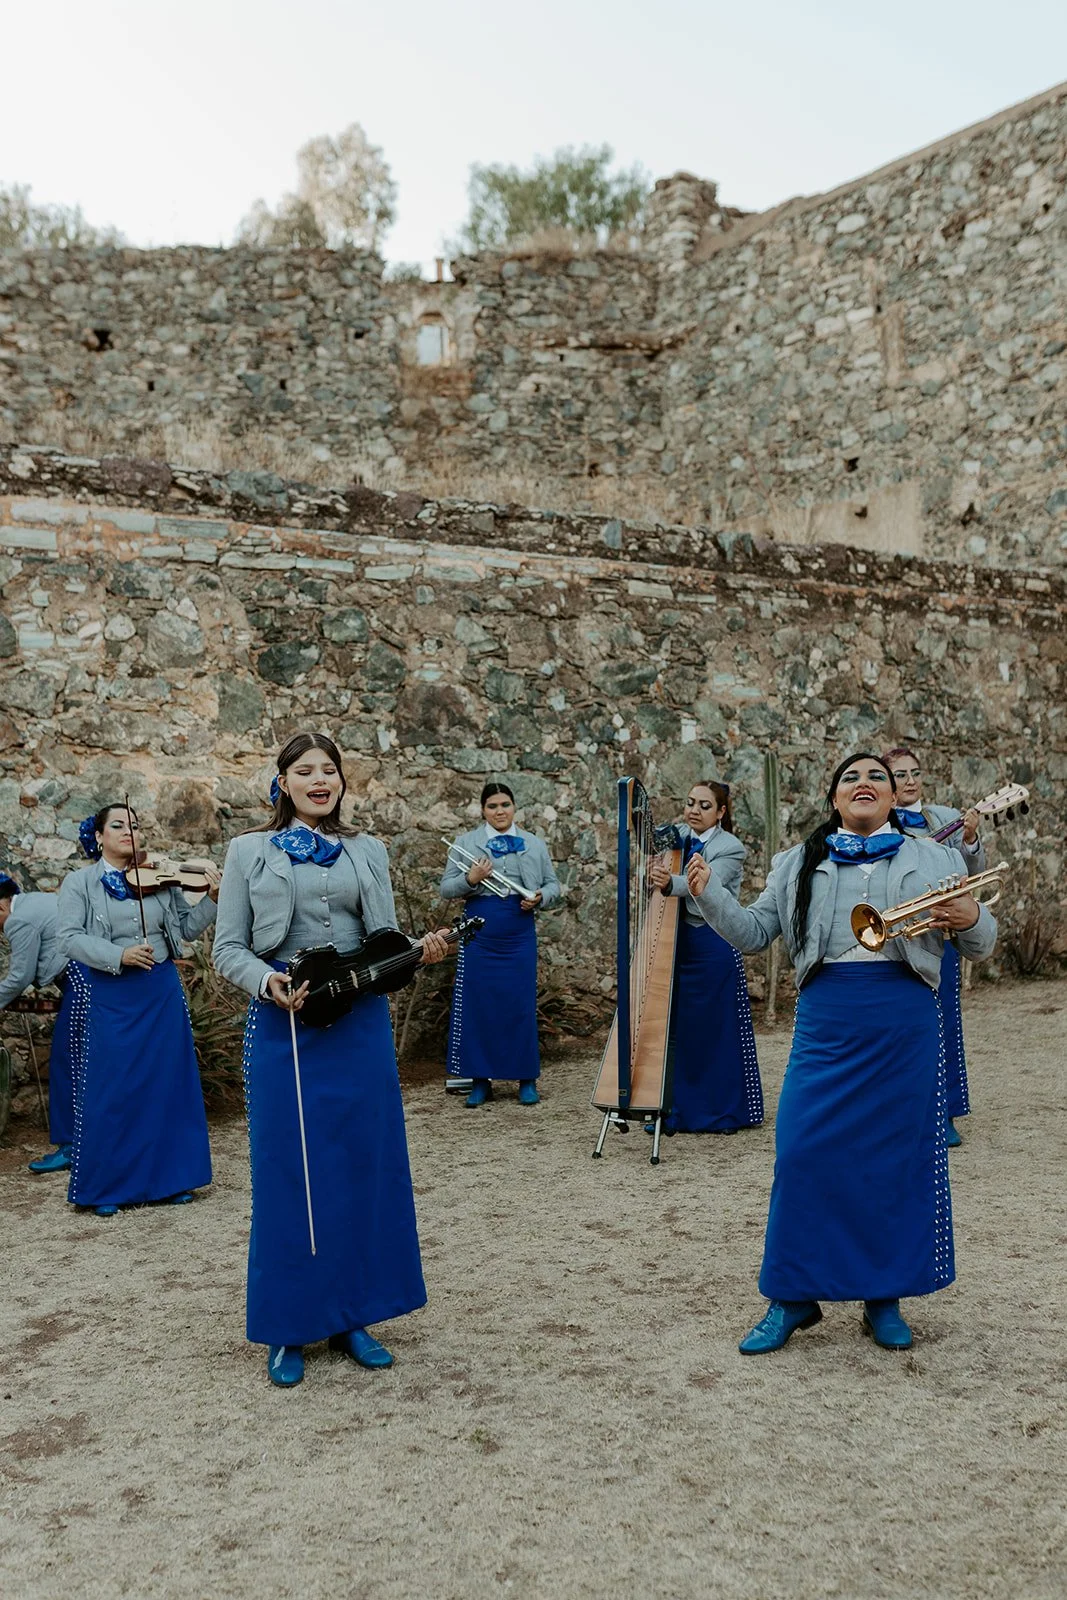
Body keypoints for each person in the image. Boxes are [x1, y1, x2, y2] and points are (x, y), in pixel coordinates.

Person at [686, 752, 997, 1355]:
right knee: (802, 1155)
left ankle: (884, 1297)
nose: (865, 783)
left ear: (890, 797)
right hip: (826, 1022)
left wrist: (972, 915)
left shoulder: (935, 856)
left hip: (904, 1024)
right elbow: (753, 934)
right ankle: (793, 1298)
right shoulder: (798, 860)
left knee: (893, 1162)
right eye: (850, 777)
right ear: (833, 799)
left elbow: (982, 945)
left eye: (876, 776)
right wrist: (708, 895)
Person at [213, 731, 449, 1390]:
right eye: (305, 771)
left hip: (360, 1028)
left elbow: (383, 942)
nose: (320, 780)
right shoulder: (246, 852)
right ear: (282, 781)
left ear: (341, 782)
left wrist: (416, 953)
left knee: (358, 1171)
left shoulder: (368, 850)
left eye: (329, 771)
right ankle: (287, 1326)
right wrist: (268, 983)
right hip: (284, 1031)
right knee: (291, 1180)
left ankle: (353, 1316)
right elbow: (227, 948)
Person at [56, 805, 219, 1218]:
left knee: (166, 1083)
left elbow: (184, 930)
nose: (129, 831)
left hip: (159, 990)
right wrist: (118, 954)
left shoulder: (160, 881)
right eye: (118, 825)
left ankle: (171, 1181)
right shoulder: (80, 883)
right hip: (111, 994)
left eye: (134, 825)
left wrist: (213, 900)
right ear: (98, 836)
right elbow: (70, 939)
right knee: (112, 1087)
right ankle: (107, 1185)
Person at [883, 746, 985, 1148]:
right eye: (900, 774)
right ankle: (896, 1114)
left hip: (934, 935)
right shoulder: (877, 819)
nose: (910, 781)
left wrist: (971, 839)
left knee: (941, 1026)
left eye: (915, 773)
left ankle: (942, 1114)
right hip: (891, 940)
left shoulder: (944, 819)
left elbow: (972, 876)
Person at [647, 783, 763, 1134]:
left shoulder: (730, 847)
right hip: (676, 941)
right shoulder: (676, 835)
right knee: (679, 1028)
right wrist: (649, 874)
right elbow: (655, 872)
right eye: (690, 802)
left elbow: (701, 883)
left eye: (705, 805)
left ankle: (721, 1111)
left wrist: (669, 884)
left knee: (716, 1028)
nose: (695, 810)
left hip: (713, 940)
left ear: (721, 812)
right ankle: (674, 1109)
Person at [441, 781, 561, 1108]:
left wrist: (540, 897)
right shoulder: (466, 843)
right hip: (479, 933)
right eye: (492, 806)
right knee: (479, 1005)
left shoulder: (534, 844)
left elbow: (553, 885)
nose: (499, 811)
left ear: (514, 807)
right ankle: (480, 1081)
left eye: (505, 805)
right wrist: (471, 879)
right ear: (483, 810)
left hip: (518, 932)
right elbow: (446, 889)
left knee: (519, 1004)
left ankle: (526, 1079)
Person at [0, 876, 75, 1174]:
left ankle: (70, 1147)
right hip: (86, 979)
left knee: (63, 1062)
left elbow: (19, 976)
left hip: (78, 981)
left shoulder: (18, 920)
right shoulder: (36, 902)